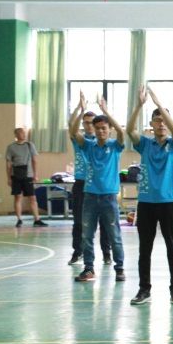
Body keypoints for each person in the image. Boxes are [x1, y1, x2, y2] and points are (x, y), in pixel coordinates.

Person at [126, 86, 173, 306]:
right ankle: (144, 289)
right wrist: (139, 105)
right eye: (157, 120)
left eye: (164, 120)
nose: (161, 124)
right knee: (145, 249)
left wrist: (159, 104)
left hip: (169, 203)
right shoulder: (145, 145)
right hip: (146, 204)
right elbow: (129, 130)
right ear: (151, 124)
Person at [68, 93, 127, 283]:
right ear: (93, 129)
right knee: (87, 235)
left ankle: (119, 268)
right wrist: (81, 109)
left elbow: (122, 132)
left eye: (104, 128)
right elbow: (72, 130)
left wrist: (106, 111)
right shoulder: (89, 146)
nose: (101, 131)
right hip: (90, 197)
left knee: (114, 235)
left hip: (109, 197)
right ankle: (89, 269)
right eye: (98, 128)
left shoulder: (115, 146)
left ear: (109, 130)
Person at [66, 106, 113, 266]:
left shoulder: (102, 142)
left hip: (99, 185)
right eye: (86, 122)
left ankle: (106, 253)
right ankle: (78, 251)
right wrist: (79, 109)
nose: (89, 125)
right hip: (81, 184)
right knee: (79, 221)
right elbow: (71, 125)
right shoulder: (79, 141)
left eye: (92, 122)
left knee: (105, 222)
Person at [5, 127, 47, 227]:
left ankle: (37, 219)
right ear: (16, 135)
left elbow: (34, 160)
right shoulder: (11, 147)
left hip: (28, 175)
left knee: (32, 197)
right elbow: (8, 164)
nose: (23, 134)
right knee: (17, 197)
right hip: (16, 175)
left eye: (24, 132)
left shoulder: (30, 145)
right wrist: (9, 178)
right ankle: (19, 219)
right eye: (20, 133)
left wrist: (35, 174)